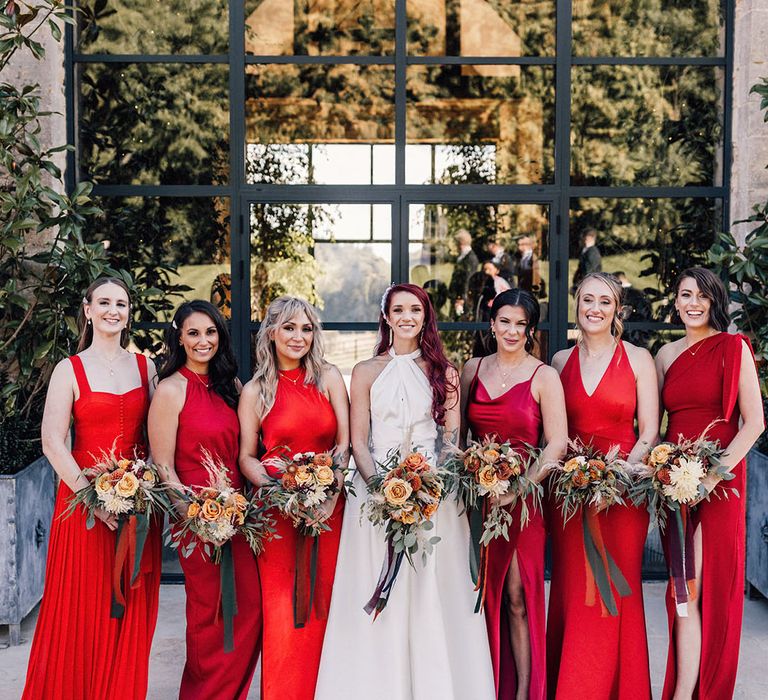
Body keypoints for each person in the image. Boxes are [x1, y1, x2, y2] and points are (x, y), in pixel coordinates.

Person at [315, 283, 496, 700]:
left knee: (431, 585)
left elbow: (451, 440)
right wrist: (381, 488)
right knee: (375, 580)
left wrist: (428, 486)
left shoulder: (445, 372)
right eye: (398, 309)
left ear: (426, 315)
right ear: (386, 316)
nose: (407, 317)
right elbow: (359, 440)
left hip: (433, 492)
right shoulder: (364, 371)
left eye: (415, 309)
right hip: (375, 491)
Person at [22, 278, 161, 700]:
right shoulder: (69, 369)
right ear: (87, 309)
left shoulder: (146, 368)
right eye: (103, 302)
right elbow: (52, 440)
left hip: (137, 505)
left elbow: (157, 438)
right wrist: (94, 499)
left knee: (131, 607)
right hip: (82, 506)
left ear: (129, 312)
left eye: (121, 303)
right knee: (81, 611)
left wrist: (143, 486)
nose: (112, 310)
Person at [548, 272, 658, 700]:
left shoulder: (638, 358)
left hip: (623, 490)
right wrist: (581, 476)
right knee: (576, 591)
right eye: (587, 299)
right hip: (572, 493)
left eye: (605, 301)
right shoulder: (559, 361)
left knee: (618, 588)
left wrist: (618, 473)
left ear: (618, 311)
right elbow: (554, 433)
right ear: (577, 304)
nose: (595, 308)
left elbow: (649, 430)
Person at [655, 268, 763, 700]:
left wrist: (710, 477)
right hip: (674, 484)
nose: (693, 302)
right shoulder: (664, 354)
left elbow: (754, 422)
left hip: (719, 483)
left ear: (714, 301)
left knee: (698, 586)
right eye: (685, 294)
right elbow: (655, 425)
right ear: (676, 302)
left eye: (702, 295)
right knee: (683, 591)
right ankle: (685, 689)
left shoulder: (734, 349)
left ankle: (693, 692)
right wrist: (661, 468)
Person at [147, 300, 261, 700]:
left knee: (248, 614)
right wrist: (196, 520)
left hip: (240, 518)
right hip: (196, 520)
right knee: (208, 618)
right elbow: (163, 466)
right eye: (193, 333)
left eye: (210, 332)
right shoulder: (170, 389)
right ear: (179, 336)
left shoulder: (232, 386)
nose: (203, 341)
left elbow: (249, 451)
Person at [238, 297, 350, 700]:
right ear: (271, 333)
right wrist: (277, 491)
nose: (298, 337)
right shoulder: (255, 391)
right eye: (289, 328)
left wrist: (330, 498)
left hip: (329, 512)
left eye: (306, 329)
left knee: (325, 606)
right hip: (277, 516)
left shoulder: (330, 377)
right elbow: (247, 457)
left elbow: (344, 444)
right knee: (283, 614)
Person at [461, 289, 567, 700]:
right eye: (504, 321)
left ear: (530, 329)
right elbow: (459, 437)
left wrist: (517, 489)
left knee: (519, 598)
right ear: (491, 324)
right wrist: (470, 475)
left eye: (520, 324)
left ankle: (524, 692)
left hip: (524, 503)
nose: (511, 330)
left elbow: (556, 443)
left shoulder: (544, 376)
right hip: (478, 501)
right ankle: (483, 685)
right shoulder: (472, 368)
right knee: (481, 596)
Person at [449, 228, 480, 318]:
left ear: (460, 242)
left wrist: (461, 298)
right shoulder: (463, 256)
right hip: (457, 295)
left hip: (463, 297)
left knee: (460, 320)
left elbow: (467, 279)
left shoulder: (470, 259)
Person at [571, 229, 602, 293]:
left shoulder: (592, 252)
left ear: (589, 237)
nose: (581, 240)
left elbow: (588, 271)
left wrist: (577, 286)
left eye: (583, 237)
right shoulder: (586, 251)